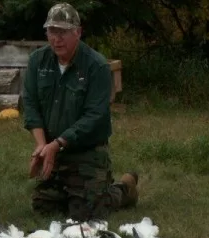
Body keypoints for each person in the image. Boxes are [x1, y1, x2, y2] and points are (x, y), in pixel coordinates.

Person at [22, 2, 139, 222]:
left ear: (78, 32)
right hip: (52, 150)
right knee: (42, 207)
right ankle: (76, 189)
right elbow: (30, 103)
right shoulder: (38, 61)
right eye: (52, 31)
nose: (57, 38)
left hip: (87, 151)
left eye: (63, 32)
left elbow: (94, 116)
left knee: (85, 214)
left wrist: (57, 144)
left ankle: (122, 190)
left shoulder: (97, 66)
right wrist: (41, 146)